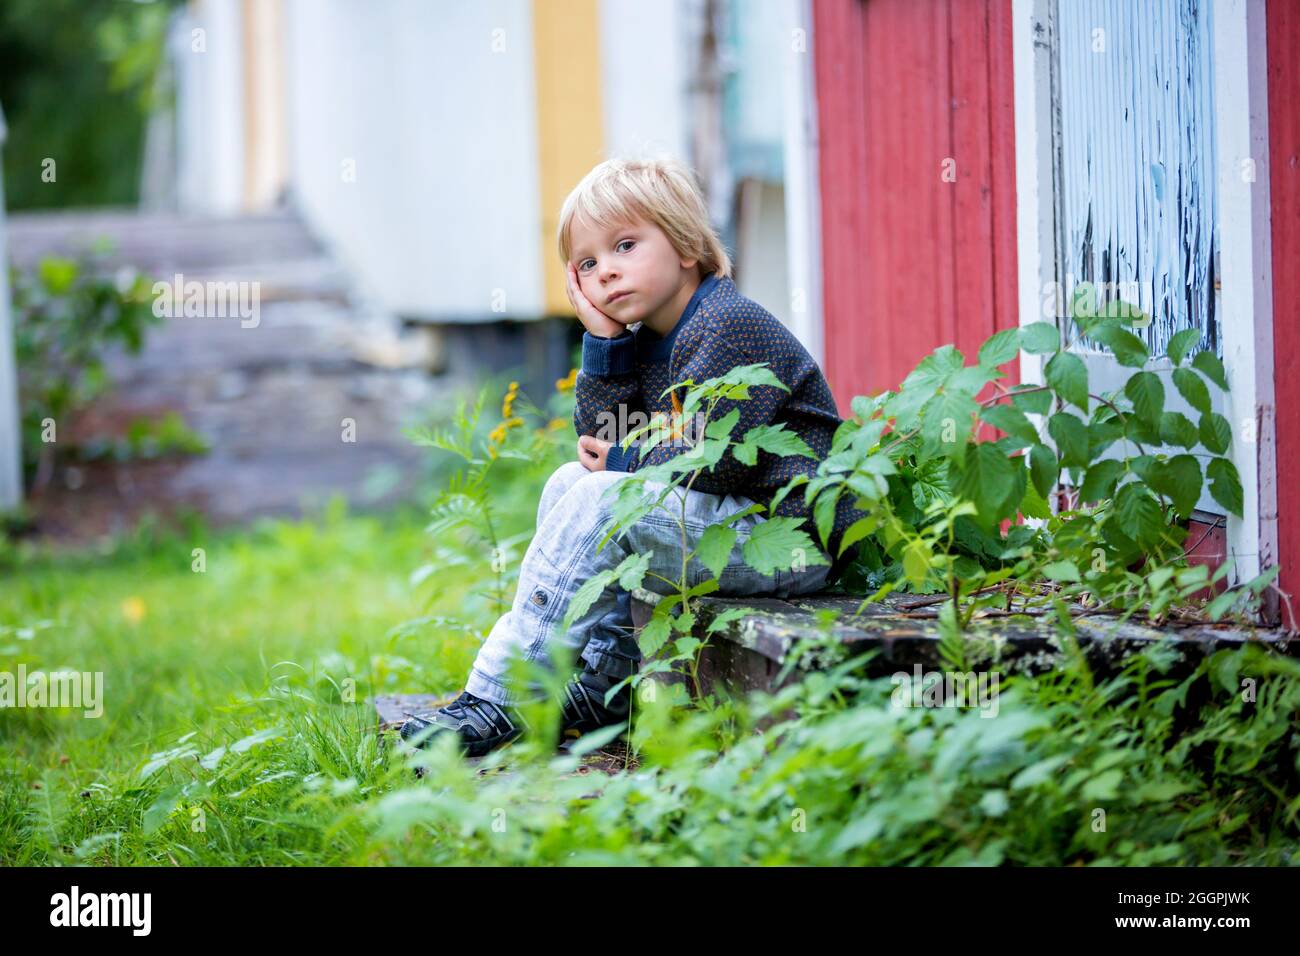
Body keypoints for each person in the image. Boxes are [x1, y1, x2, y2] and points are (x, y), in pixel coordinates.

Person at [400, 156, 865, 758]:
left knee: (601, 496)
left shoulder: (729, 325)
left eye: (625, 246)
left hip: (789, 540)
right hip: (723, 523)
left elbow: (713, 460)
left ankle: (505, 695)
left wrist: (620, 459)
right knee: (571, 482)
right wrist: (604, 343)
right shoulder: (648, 337)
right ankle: (604, 686)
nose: (607, 273)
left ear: (686, 245)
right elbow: (603, 440)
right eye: (588, 264)